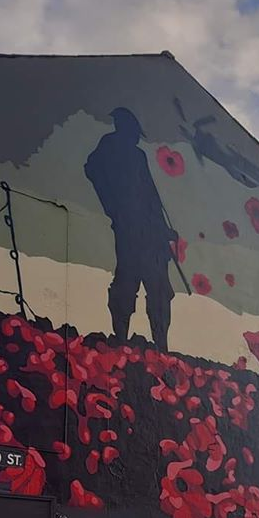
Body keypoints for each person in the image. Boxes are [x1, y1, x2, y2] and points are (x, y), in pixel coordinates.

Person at [84, 107, 177, 350]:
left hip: (151, 232)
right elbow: (92, 169)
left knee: (158, 288)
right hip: (130, 228)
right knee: (127, 280)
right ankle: (121, 336)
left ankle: (161, 343)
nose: (135, 137)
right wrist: (113, 207)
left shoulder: (138, 155)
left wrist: (163, 229)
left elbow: (151, 195)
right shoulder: (110, 146)